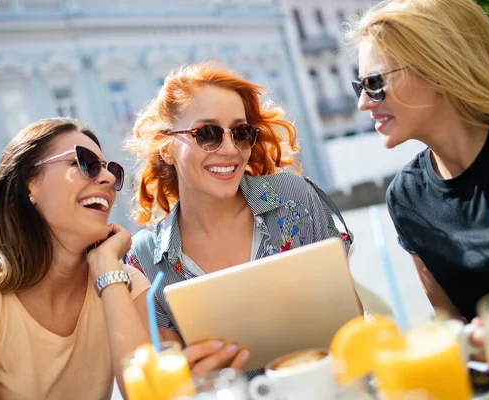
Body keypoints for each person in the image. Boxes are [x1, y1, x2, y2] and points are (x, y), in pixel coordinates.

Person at [124, 62, 356, 376]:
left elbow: (353, 326)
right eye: (207, 134)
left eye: (241, 133)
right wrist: (189, 375)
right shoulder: (145, 259)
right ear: (166, 148)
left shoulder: (294, 198)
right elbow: (172, 385)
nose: (230, 149)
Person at [0, 118, 153, 399]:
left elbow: (151, 394)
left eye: (111, 169)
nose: (109, 178)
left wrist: (109, 275)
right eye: (85, 162)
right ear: (30, 183)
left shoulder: (125, 283)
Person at [347, 0, 489, 322]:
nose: (363, 102)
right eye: (359, 86)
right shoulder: (407, 197)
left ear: (437, 72)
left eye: (374, 84)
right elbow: (452, 326)